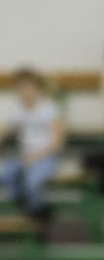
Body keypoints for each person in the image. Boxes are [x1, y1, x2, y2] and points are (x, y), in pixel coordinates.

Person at [1, 69, 64, 220]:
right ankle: (29, 211)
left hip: (46, 157)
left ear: (37, 89)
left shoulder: (50, 109)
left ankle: (38, 216)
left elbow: (56, 143)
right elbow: (5, 130)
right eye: (20, 88)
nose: (24, 92)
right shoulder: (19, 111)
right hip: (24, 157)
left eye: (27, 88)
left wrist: (35, 157)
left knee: (32, 182)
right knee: (6, 175)